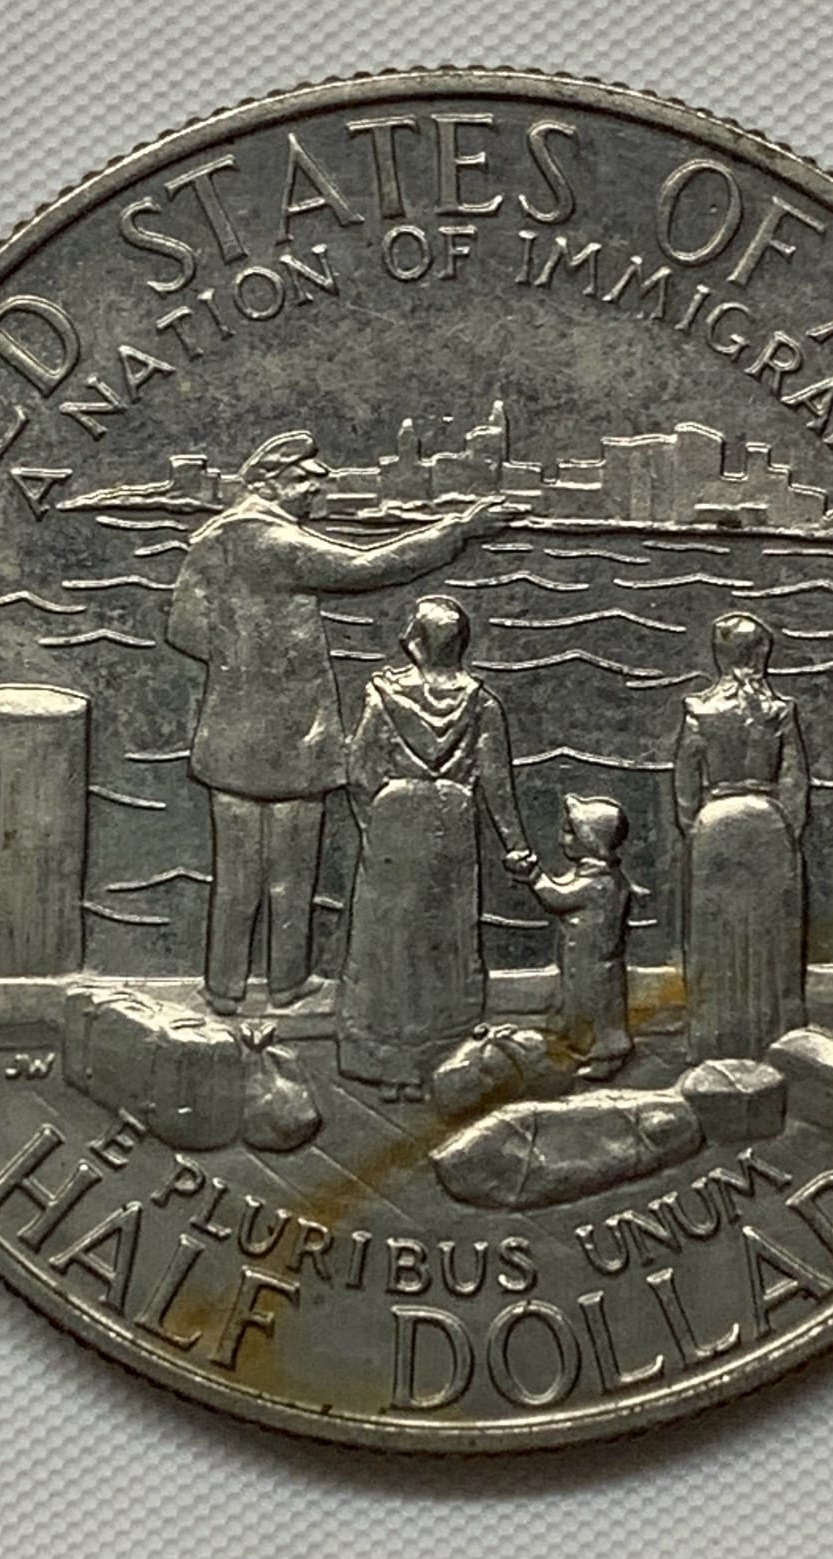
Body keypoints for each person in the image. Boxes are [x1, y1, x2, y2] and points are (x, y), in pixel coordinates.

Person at [166, 430, 507, 1015]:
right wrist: (458, 531)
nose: (314, 491)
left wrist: (238, 667)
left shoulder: (215, 538)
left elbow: (182, 629)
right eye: (303, 480)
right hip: (293, 732)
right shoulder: (273, 540)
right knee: (292, 871)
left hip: (228, 729)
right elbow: (367, 566)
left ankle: (223, 988)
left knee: (236, 873)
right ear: (268, 483)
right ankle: (286, 984)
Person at [338, 596, 530, 1100]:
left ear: (417, 642)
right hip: (452, 814)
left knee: (388, 941)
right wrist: (515, 846)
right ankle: (443, 1059)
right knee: (446, 940)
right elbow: (497, 783)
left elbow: (359, 770)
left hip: (394, 815)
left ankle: (389, 1066)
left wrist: (374, 822)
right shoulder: (482, 703)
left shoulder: (382, 695)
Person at [673, 612, 809, 1060]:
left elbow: (685, 783)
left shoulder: (699, 711)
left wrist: (697, 829)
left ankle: (713, 1040)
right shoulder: (779, 711)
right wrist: (786, 831)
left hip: (714, 823)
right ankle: (776, 1039)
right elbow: (794, 782)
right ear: (759, 654)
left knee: (713, 938)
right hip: (769, 823)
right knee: (774, 938)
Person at [508, 793, 634, 1078]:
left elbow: (557, 898)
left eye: (569, 832)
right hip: (583, 960)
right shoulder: (596, 877)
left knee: (599, 1010)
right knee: (581, 1004)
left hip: (596, 966)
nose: (561, 838)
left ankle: (607, 1055)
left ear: (590, 842)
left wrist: (534, 876)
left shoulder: (601, 884)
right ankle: (583, 1046)